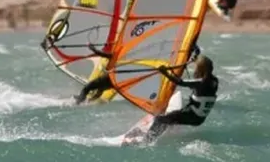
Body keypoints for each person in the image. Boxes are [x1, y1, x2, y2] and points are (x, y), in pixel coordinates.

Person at [74, 41, 202, 105]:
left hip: (115, 75)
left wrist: (93, 50)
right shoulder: (138, 52)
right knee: (99, 89)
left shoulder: (130, 51)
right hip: (124, 78)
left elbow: (109, 56)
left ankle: (78, 103)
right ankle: (90, 102)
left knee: (88, 87)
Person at [141, 55, 219, 142]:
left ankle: (147, 140)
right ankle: (161, 128)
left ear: (200, 69)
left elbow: (179, 82)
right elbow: (201, 88)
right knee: (170, 117)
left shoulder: (200, 82)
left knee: (159, 119)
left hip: (192, 116)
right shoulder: (214, 81)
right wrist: (195, 61)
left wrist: (164, 72)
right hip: (200, 118)